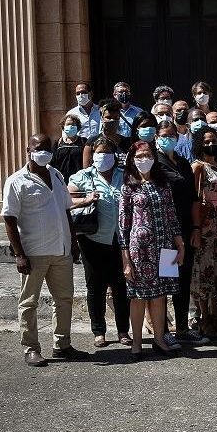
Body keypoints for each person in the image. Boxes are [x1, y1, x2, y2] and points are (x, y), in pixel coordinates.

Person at [2, 133, 86, 367]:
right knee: (29, 302)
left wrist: (74, 242)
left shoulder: (57, 175)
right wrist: (19, 254)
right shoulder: (16, 181)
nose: (44, 152)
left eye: (48, 148)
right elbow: (9, 219)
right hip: (34, 252)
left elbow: (66, 210)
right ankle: (31, 348)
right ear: (27, 150)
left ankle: (62, 344)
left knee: (64, 299)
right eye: (38, 148)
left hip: (61, 250)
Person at [119, 141, 184, 359]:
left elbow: (172, 216)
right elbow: (123, 225)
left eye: (148, 155)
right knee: (138, 297)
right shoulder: (128, 186)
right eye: (139, 155)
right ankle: (136, 343)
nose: (144, 159)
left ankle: (159, 339)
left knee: (160, 296)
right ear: (132, 159)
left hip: (165, 247)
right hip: (140, 250)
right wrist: (126, 260)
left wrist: (180, 245)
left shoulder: (162, 184)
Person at [68, 137, 131, 348]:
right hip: (93, 240)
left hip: (120, 240)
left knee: (121, 286)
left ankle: (123, 330)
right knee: (96, 286)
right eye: (99, 153)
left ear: (114, 155)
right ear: (93, 155)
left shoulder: (125, 175)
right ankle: (99, 331)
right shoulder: (83, 176)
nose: (102, 157)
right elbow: (67, 200)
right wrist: (85, 200)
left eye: (106, 153)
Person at [155, 121, 207, 347]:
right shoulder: (155, 163)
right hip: (166, 232)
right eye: (164, 135)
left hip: (186, 229)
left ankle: (183, 328)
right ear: (157, 137)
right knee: (167, 280)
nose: (168, 139)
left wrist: (196, 228)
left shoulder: (184, 163)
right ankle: (163, 330)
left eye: (171, 135)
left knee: (184, 279)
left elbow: (195, 198)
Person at [190, 126, 217, 337]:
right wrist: (196, 227)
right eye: (206, 141)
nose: (210, 144)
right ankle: (204, 317)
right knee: (203, 270)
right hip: (205, 224)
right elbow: (195, 199)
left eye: (213, 140)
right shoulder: (197, 166)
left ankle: (216, 315)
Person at [82, 99, 132, 169]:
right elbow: (86, 170)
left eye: (116, 118)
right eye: (108, 117)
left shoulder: (128, 143)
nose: (112, 120)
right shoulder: (91, 142)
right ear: (102, 118)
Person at [51, 113, 87, 183]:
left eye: (73, 124)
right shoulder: (58, 142)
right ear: (63, 127)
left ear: (78, 127)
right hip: (60, 180)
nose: (71, 126)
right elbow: (52, 162)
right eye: (68, 124)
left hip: (79, 180)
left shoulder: (83, 141)